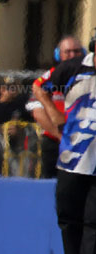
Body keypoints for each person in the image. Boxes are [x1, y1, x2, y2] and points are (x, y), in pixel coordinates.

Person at [34, 44, 96, 254]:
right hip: (72, 158)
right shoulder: (72, 68)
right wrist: (54, 114)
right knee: (69, 219)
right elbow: (39, 86)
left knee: (93, 220)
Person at [28, 36, 84, 178]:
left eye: (76, 51)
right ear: (59, 54)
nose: (72, 55)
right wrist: (60, 136)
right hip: (55, 141)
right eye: (68, 52)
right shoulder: (51, 77)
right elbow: (37, 112)